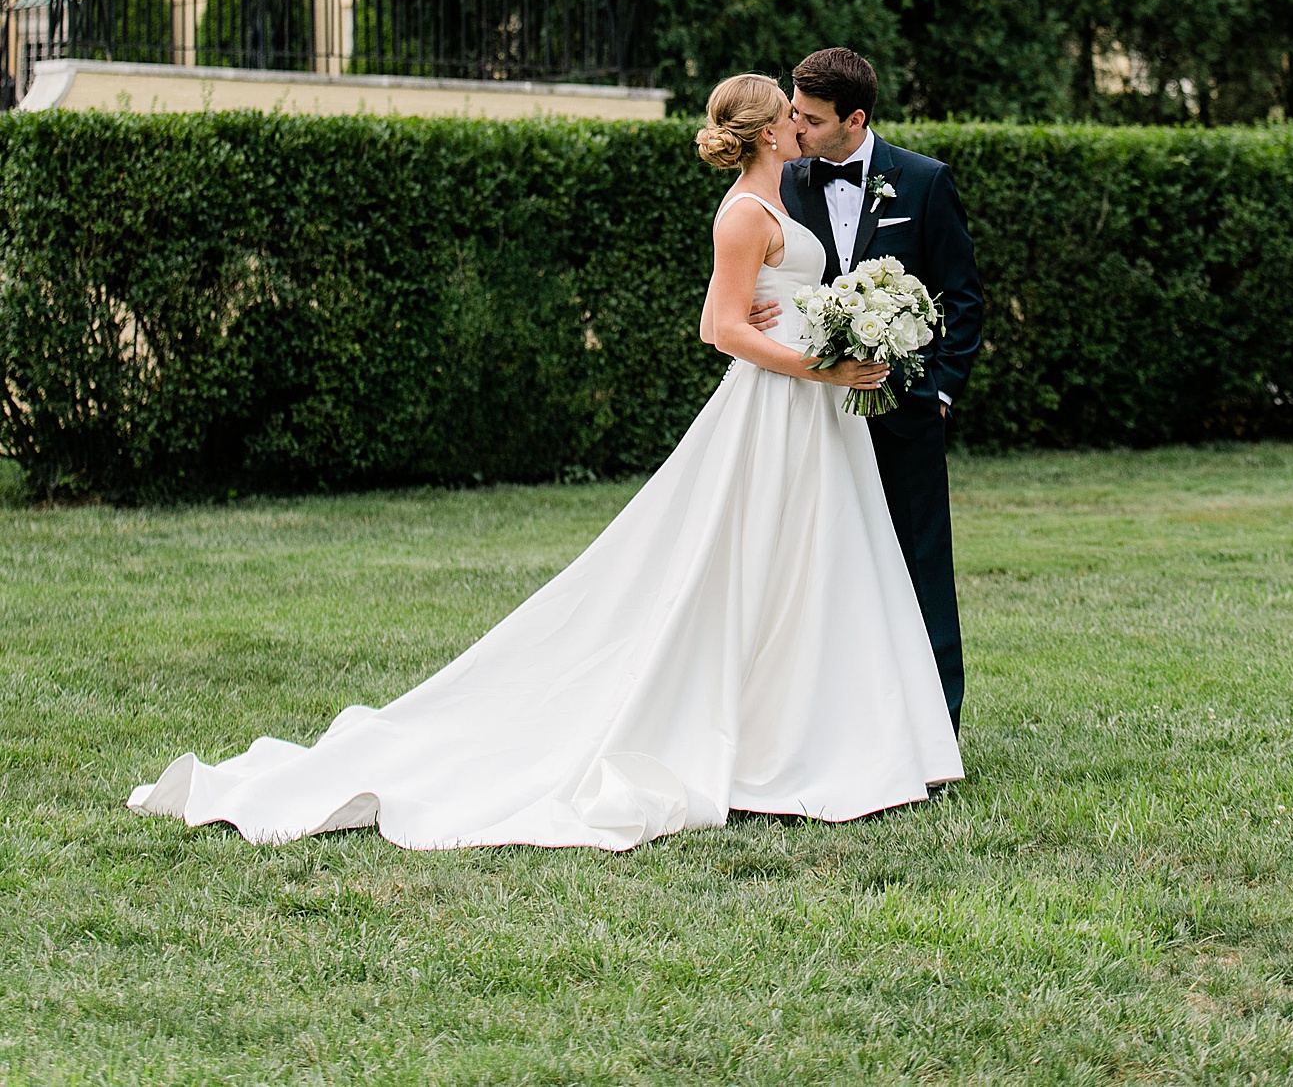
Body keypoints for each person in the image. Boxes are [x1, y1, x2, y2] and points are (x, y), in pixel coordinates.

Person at [127, 74, 962, 853]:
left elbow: (777, 302)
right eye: (787, 111)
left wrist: (837, 324)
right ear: (765, 130)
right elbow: (720, 328)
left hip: (815, 416)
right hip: (780, 410)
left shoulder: (787, 194)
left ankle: (831, 734)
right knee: (751, 569)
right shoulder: (743, 212)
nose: (797, 120)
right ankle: (772, 743)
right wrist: (823, 364)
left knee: (820, 570)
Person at [777, 47, 983, 733]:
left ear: (855, 118)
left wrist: (941, 393)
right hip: (808, 410)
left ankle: (936, 727)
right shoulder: (783, 182)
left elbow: (964, 298)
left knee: (921, 564)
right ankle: (835, 724)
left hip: (905, 413)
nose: (795, 128)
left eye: (809, 118)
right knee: (820, 566)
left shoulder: (924, 182)